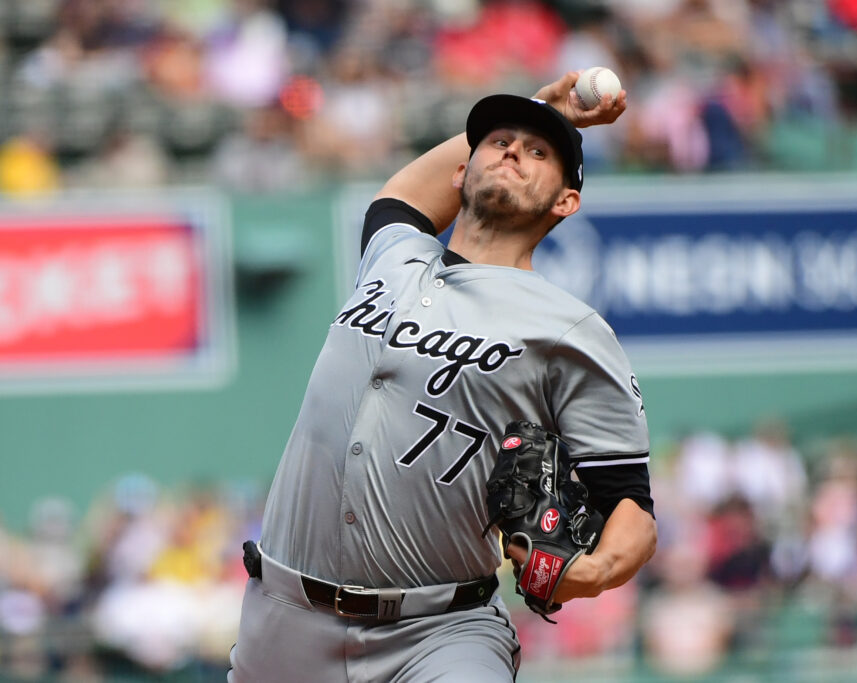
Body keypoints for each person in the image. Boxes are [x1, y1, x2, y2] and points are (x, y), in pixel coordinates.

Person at [228, 71, 658, 682]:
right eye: (497, 142)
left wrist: (590, 573)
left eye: (539, 152)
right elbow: (403, 193)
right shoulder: (394, 257)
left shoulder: (571, 331)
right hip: (284, 624)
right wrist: (543, 107)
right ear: (461, 173)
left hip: (441, 632)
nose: (512, 151)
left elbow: (631, 506)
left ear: (566, 201)